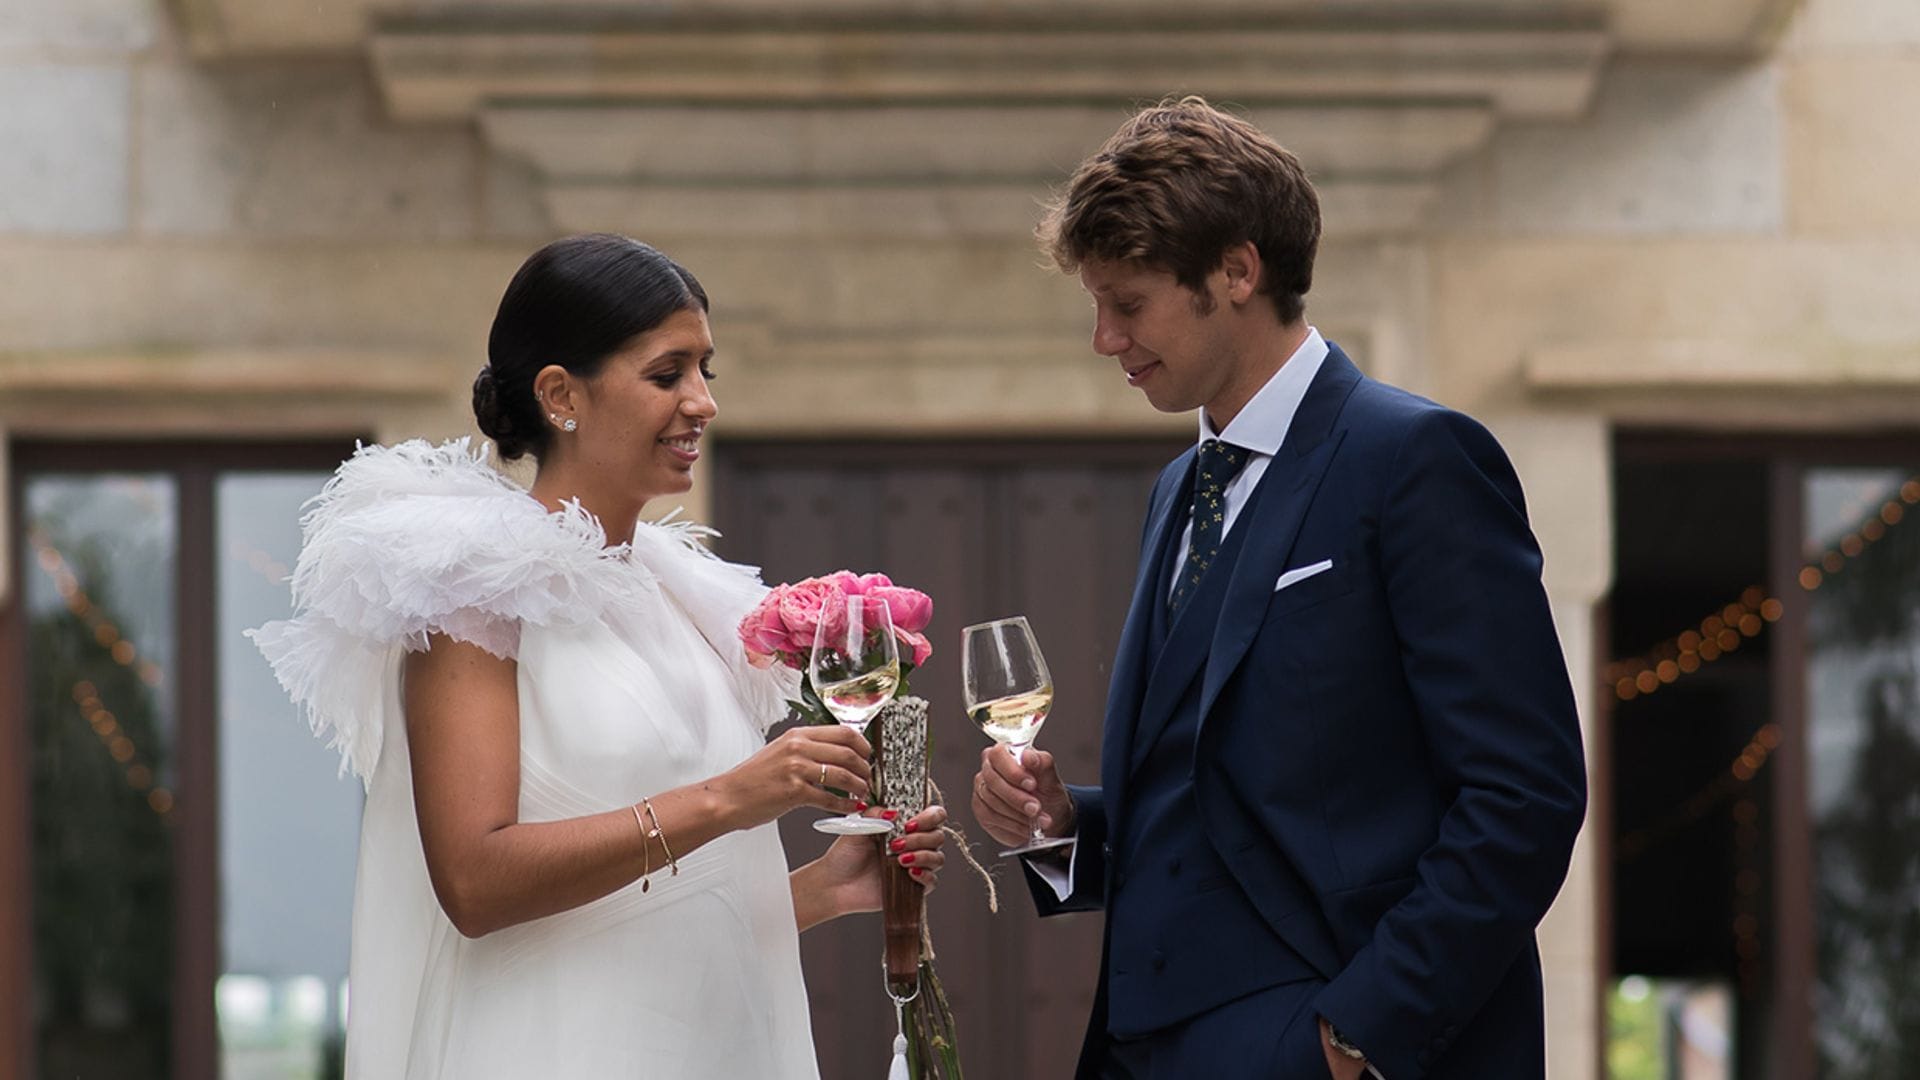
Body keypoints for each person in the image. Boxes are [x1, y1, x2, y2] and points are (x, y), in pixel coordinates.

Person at [969, 98, 1587, 1079]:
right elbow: (1205, 792)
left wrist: (1358, 1035)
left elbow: (1526, 793)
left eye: (1128, 304)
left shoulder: (1415, 459)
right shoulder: (1181, 487)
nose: (1103, 338)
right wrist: (1065, 827)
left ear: (1238, 272)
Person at [251, 233, 947, 1079]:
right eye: (668, 374)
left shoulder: (684, 600)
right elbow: (474, 883)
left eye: (706, 373)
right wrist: (731, 796)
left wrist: (827, 887)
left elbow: (645, 912)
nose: (702, 403)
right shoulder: (473, 591)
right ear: (560, 395)